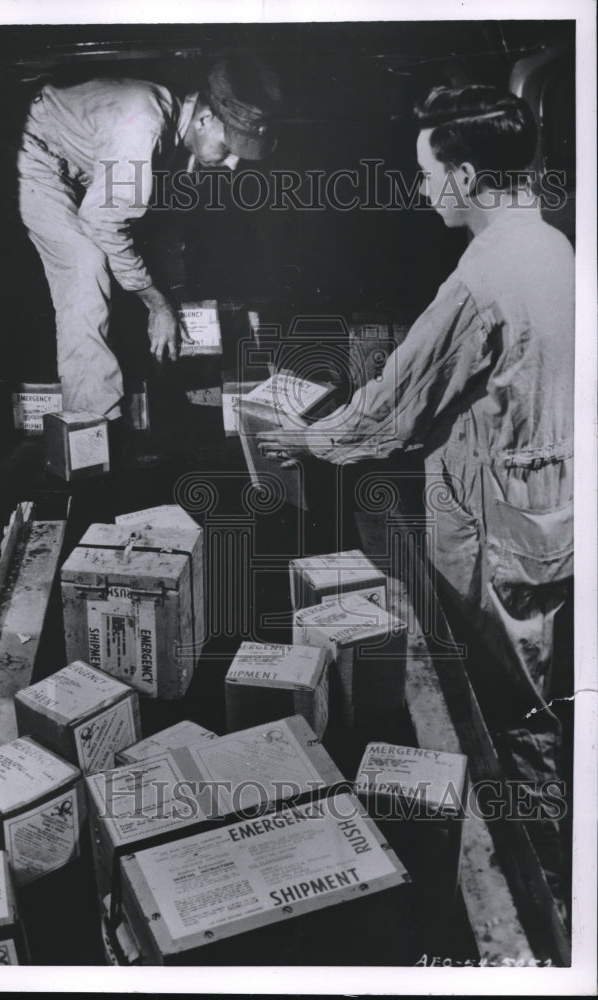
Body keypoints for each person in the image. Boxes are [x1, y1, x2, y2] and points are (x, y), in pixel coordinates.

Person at [258, 85, 574, 905]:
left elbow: (399, 403)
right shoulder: (551, 248)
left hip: (498, 519)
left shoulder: (484, 271)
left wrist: (310, 438)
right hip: (549, 505)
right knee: (540, 677)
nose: (423, 187)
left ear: (465, 174)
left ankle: (542, 885)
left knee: (510, 702)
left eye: (428, 172)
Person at [17, 56, 282, 450]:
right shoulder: (142, 124)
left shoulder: (176, 128)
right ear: (205, 119)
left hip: (76, 169)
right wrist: (156, 303)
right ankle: (91, 438)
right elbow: (103, 221)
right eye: (229, 147)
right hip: (37, 157)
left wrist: (171, 293)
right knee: (85, 269)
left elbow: (155, 225)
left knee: (116, 256)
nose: (232, 163)